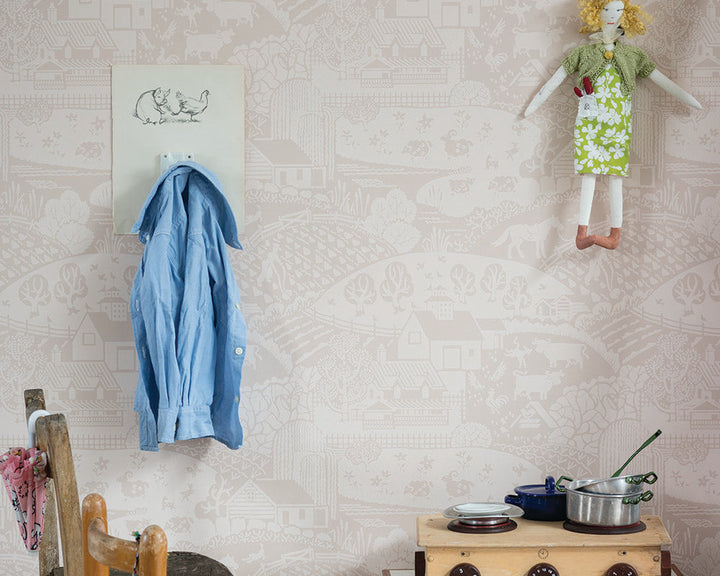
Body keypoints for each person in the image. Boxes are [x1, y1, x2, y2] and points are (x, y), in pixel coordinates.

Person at [524, 0, 702, 250]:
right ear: (596, 13)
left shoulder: (633, 56)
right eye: (607, 11)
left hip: (618, 125)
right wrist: (536, 100)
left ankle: (614, 235)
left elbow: (660, 78)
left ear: (626, 16)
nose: (612, 16)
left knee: (616, 174)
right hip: (589, 124)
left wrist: (685, 96)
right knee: (589, 172)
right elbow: (554, 80)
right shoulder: (582, 53)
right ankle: (581, 233)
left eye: (618, 12)